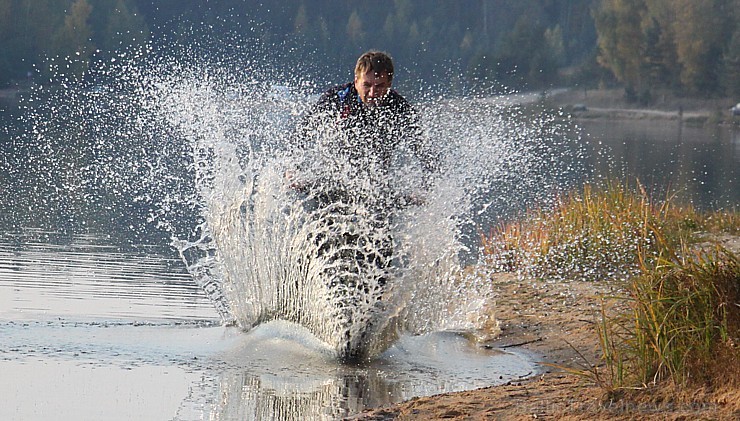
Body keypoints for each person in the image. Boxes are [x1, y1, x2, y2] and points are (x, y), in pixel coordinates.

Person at [291, 50, 439, 201]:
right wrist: (293, 170)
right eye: (367, 85)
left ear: (389, 84)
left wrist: (425, 190)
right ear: (356, 81)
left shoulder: (399, 109)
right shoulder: (338, 98)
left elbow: (427, 155)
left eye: (380, 86)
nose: (373, 93)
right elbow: (302, 133)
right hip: (335, 182)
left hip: (375, 189)